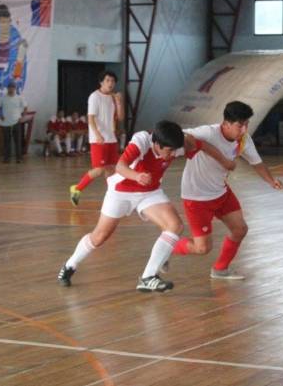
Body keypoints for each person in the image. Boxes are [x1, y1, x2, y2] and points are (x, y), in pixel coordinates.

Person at [58, 120, 234, 292]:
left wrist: (225, 161)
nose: (173, 154)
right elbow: (120, 166)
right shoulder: (142, 140)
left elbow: (203, 146)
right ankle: (69, 265)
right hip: (121, 191)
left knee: (175, 226)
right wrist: (136, 176)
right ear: (156, 144)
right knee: (100, 236)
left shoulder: (180, 143)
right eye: (169, 151)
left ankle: (148, 277)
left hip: (150, 192)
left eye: (175, 150)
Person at [170, 101, 283, 280]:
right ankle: (166, 248)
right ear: (226, 124)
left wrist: (271, 181)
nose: (244, 130)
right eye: (240, 125)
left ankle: (220, 269)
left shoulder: (244, 140)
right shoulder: (208, 132)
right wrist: (221, 158)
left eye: (247, 124)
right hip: (197, 197)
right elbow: (183, 137)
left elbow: (257, 163)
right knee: (202, 249)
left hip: (221, 193)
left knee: (240, 229)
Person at [70, 71, 124, 206]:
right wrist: (97, 134)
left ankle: (113, 197)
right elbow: (91, 118)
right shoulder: (94, 97)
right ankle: (77, 188)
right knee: (99, 169)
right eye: (107, 80)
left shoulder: (113, 97)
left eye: (112, 81)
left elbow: (121, 117)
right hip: (98, 139)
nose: (110, 83)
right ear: (101, 82)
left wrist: (119, 103)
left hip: (111, 138)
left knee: (112, 169)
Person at [0, 81, 27, 163]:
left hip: (16, 122)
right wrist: (0, 115)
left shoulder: (19, 98)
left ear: (15, 88)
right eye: (10, 88)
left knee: (18, 141)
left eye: (13, 88)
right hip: (5, 123)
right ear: (7, 89)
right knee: (6, 142)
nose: (11, 89)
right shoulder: (3, 98)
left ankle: (19, 158)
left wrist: (22, 117)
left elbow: (25, 107)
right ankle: (7, 158)